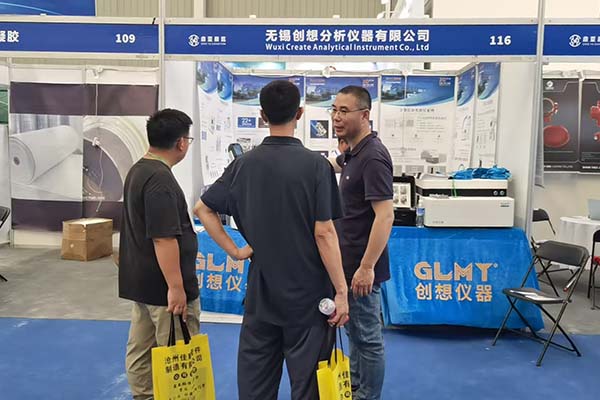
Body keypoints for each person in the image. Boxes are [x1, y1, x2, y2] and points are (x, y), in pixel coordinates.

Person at [194, 80, 350, 400]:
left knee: (256, 386)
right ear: (300, 113)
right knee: (309, 386)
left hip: (262, 295)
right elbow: (324, 232)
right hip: (309, 296)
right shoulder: (316, 166)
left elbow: (202, 209)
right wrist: (341, 290)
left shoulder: (242, 165)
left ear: (262, 115)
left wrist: (236, 251)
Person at [118, 109, 199, 400]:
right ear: (181, 143)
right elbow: (164, 238)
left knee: (141, 351)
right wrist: (176, 287)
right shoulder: (160, 180)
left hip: (143, 283)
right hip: (165, 290)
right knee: (178, 356)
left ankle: (145, 396)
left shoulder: (139, 170)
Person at [328, 86, 394, 400]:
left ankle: (368, 395)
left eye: (344, 111)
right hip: (348, 264)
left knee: (367, 339)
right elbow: (335, 164)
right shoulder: (354, 152)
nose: (336, 117)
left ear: (365, 115)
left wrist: (367, 267)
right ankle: (355, 389)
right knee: (355, 334)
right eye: (334, 109)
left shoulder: (373, 156)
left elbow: (385, 216)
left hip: (361, 269)